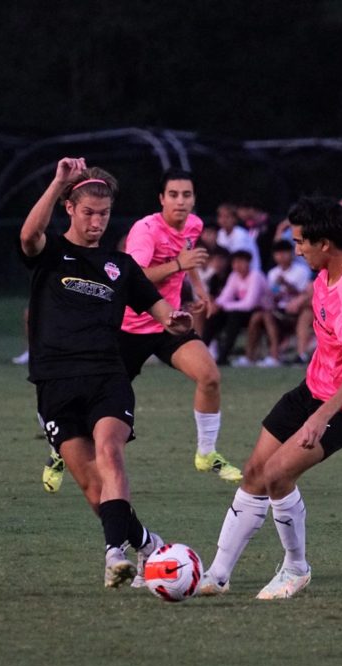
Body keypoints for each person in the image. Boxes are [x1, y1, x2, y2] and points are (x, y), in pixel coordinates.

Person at [197, 196, 342, 600]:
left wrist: (322, 417)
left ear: (325, 244)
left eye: (301, 242)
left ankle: (296, 569)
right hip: (316, 386)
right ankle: (217, 574)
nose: (297, 248)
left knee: (278, 475)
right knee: (254, 471)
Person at [20, 156, 192, 588]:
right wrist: (59, 179)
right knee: (92, 488)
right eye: (89, 212)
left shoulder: (121, 267)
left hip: (105, 376)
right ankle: (147, 543)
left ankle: (114, 554)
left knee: (110, 452)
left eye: (105, 213)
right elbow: (28, 234)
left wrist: (175, 320)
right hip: (55, 382)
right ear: (70, 209)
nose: (97, 221)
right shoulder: (52, 253)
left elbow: (160, 311)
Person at [118, 170, 242, 483]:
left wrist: (200, 288)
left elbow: (187, 259)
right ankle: (60, 448)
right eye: (173, 194)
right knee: (98, 399)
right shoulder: (145, 230)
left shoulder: (194, 224)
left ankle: (206, 454)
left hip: (168, 324)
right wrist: (178, 266)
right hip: (128, 328)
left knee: (210, 376)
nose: (180, 201)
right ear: (161, 199)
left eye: (186, 194)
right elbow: (134, 277)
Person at [238, 239, 314, 367]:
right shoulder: (273, 273)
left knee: (266, 316)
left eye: (285, 253)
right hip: (278, 310)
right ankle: (249, 356)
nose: (281, 257)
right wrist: (275, 296)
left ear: (291, 254)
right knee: (258, 316)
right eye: (278, 254)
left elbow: (305, 295)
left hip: (296, 311)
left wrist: (287, 285)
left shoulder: (301, 271)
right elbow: (271, 296)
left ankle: (274, 356)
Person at [201, 249, 268, 366]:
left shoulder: (255, 276)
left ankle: (223, 356)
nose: (238, 265)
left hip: (260, 312)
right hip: (240, 311)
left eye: (241, 262)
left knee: (234, 317)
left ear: (249, 263)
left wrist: (223, 306)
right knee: (214, 316)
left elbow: (249, 304)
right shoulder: (234, 276)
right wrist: (217, 305)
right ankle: (200, 353)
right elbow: (225, 296)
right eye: (235, 262)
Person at [215, 203, 261, 273]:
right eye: (221, 217)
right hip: (231, 271)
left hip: (250, 272)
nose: (224, 220)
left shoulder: (241, 235)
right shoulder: (220, 233)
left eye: (227, 217)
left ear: (234, 219)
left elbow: (239, 259)